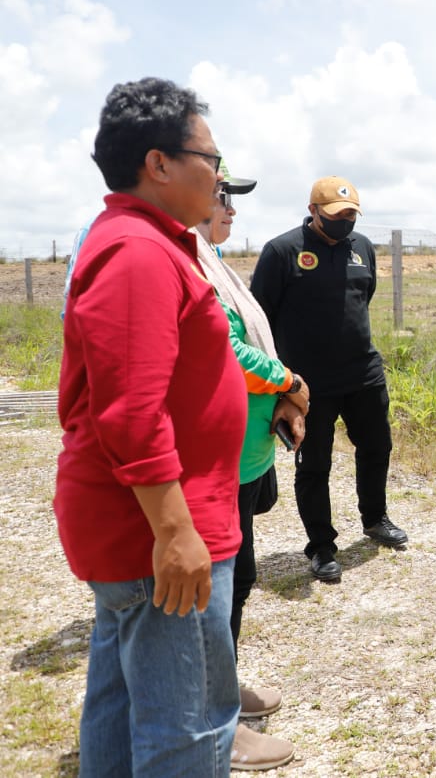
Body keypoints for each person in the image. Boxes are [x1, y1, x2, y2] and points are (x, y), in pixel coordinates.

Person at [58, 77, 244, 776]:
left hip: (145, 531)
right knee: (188, 724)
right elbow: (131, 412)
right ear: (159, 163)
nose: (219, 173)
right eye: (211, 155)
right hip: (158, 532)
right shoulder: (138, 251)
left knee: (120, 700)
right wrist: (175, 530)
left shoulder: (149, 242)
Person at [195, 167, 300, 771]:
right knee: (218, 590)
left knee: (240, 578)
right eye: (222, 197)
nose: (230, 210)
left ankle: (225, 691)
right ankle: (217, 724)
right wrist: (291, 382)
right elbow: (227, 351)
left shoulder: (213, 259)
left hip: (246, 450)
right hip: (217, 458)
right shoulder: (189, 263)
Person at [251, 176, 407, 583]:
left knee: (377, 447)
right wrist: (283, 384)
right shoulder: (282, 251)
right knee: (314, 465)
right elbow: (258, 321)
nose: (346, 221)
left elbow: (363, 296)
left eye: (352, 214)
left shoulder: (362, 249)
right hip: (308, 384)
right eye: (337, 215)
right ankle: (321, 546)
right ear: (313, 211)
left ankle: (375, 518)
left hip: (363, 373)